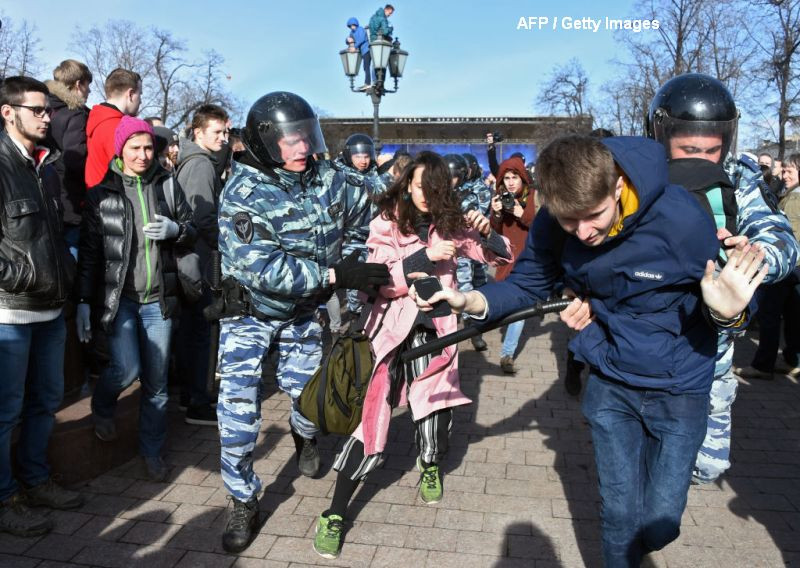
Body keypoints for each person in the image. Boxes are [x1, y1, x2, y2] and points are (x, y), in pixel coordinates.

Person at [412, 134, 765, 566]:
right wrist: (470, 302)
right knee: (618, 514)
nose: (583, 233)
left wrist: (730, 314)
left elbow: (734, 300)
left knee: (661, 522)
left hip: (680, 389)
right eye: (568, 222)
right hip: (611, 384)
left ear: (617, 186)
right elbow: (527, 286)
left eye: (593, 216)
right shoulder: (555, 221)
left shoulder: (681, 220)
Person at [312, 151, 512, 559]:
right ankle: (335, 512)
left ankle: (431, 464)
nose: (426, 195)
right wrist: (425, 257)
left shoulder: (453, 224)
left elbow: (501, 256)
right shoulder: (386, 221)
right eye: (420, 186)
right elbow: (378, 278)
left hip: (436, 333)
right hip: (387, 335)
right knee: (371, 418)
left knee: (435, 409)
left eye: (435, 189)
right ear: (406, 184)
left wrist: (488, 232)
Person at [214, 91, 389, 553]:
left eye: (305, 138)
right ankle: (242, 499)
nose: (302, 150)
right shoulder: (244, 192)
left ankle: (304, 435)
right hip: (249, 315)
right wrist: (336, 274)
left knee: (311, 403)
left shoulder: (327, 177)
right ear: (263, 142)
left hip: (303, 314)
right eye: (290, 141)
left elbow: (371, 209)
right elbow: (263, 268)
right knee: (237, 417)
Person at [648, 72, 800, 484]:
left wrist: (753, 257)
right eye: (688, 149)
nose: (700, 159)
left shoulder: (738, 179)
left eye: (711, 149)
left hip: (712, 340)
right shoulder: (639, 174)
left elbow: (781, 239)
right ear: (662, 134)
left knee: (708, 465)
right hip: (648, 337)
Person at [75, 117, 197, 482]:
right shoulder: (101, 195)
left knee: (157, 384)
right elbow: (90, 255)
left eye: (148, 148)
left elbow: (192, 230)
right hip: (121, 300)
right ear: (120, 150)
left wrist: (177, 230)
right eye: (135, 148)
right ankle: (102, 404)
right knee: (126, 369)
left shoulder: (167, 185)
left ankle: (152, 451)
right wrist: (83, 300)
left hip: (158, 301)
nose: (144, 155)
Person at [0, 76, 84, 538]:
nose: (48, 117)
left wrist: (63, 281)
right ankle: (5, 497)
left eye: (49, 109)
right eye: (38, 110)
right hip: (9, 313)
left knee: (46, 402)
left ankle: (34, 480)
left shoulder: (45, 165)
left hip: (51, 310)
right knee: (5, 411)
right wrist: (28, 278)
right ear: (8, 112)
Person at [174, 104, 229, 426]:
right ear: (199, 133)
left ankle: (191, 395)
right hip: (198, 261)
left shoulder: (196, 160)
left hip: (193, 258)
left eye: (224, 132)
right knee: (200, 331)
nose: (223, 138)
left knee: (194, 330)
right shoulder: (201, 165)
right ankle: (196, 399)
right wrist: (225, 244)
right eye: (217, 132)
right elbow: (202, 217)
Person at [734, 153, 800, 380]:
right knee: (793, 316)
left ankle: (763, 365)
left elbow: (784, 236)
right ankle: (792, 360)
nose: (784, 175)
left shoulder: (793, 199)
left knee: (770, 316)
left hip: (787, 270)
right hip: (796, 270)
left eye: (790, 171)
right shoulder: (789, 195)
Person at [488, 156, 536, 373]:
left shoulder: (534, 197)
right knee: (503, 307)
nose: (510, 182)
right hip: (507, 262)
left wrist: (520, 213)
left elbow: (543, 226)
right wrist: (496, 215)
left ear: (522, 178)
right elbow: (493, 235)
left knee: (521, 309)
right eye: (506, 178)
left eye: (514, 177)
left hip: (529, 263)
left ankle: (507, 354)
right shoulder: (499, 198)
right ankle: (474, 322)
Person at [44, 59, 92, 258]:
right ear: (79, 84)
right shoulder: (76, 113)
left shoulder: (44, 109)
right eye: (88, 86)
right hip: (70, 204)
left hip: (47, 199)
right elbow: (75, 158)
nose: (89, 92)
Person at [85, 68, 142, 187]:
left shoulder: (99, 119)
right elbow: (128, 174)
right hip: (112, 198)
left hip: (99, 197)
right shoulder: (117, 127)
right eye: (139, 94)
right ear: (131, 94)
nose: (140, 101)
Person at [346, 18, 372, 91]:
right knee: (365, 67)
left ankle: (368, 83)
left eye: (353, 25)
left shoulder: (360, 29)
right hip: (362, 52)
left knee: (366, 66)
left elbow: (362, 39)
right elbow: (349, 40)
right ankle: (367, 83)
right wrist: (347, 40)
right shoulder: (352, 32)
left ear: (356, 24)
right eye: (350, 26)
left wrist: (355, 47)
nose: (352, 27)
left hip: (367, 49)